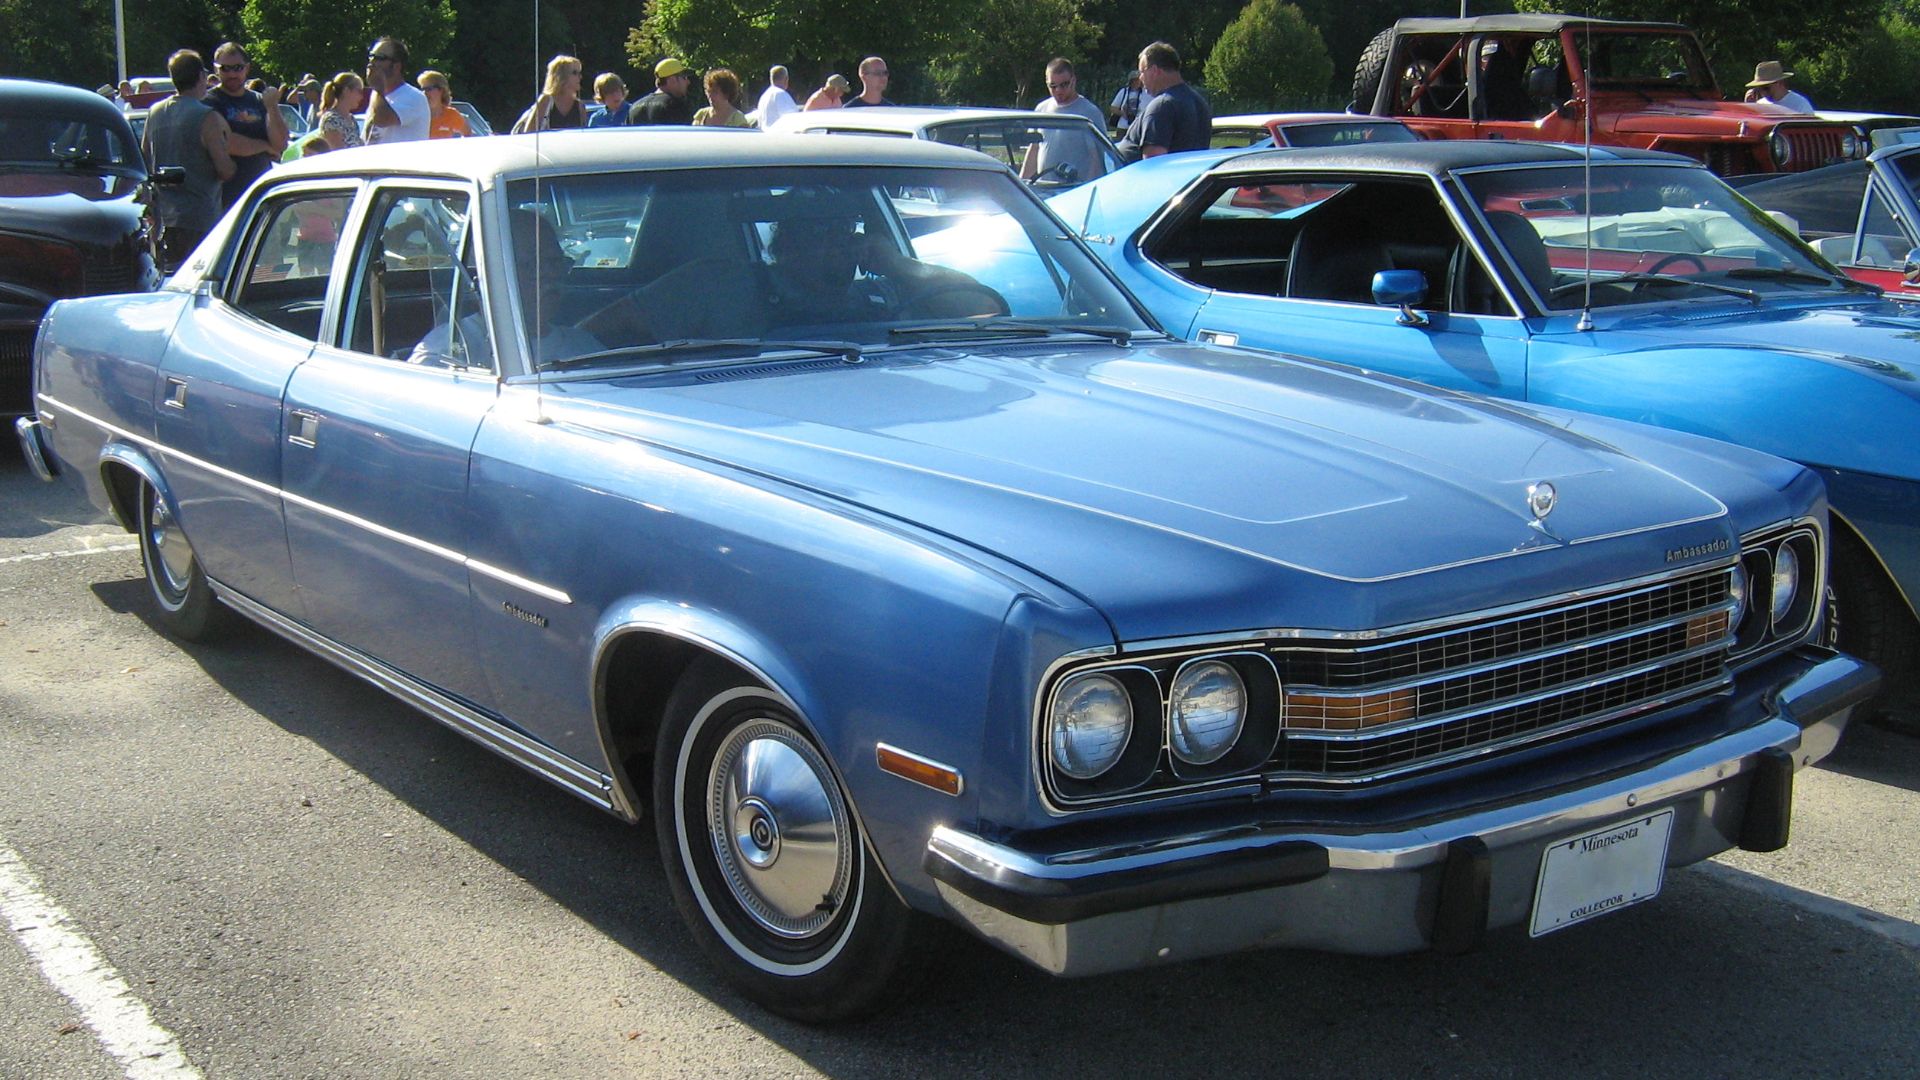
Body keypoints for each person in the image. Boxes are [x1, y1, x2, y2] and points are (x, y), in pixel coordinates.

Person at [410, 213, 600, 370]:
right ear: (492, 275)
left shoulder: (584, 344)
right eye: (531, 265)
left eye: (556, 262)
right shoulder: (451, 348)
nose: (550, 275)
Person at [141, 49, 236, 270]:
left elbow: (144, 160)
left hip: (164, 218)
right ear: (202, 76)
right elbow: (225, 170)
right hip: (200, 219)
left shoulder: (155, 112)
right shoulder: (206, 116)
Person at [205, 41, 286, 209]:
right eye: (225, 69)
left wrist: (272, 107)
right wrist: (265, 146)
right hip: (225, 196)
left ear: (247, 68)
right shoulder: (209, 101)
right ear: (215, 69)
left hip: (261, 194)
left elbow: (280, 144)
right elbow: (225, 142)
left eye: (238, 68)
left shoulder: (260, 100)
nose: (232, 74)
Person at [1115, 41, 1211, 162]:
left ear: (1155, 70)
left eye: (1142, 72)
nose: (1140, 78)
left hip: (1139, 174)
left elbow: (1153, 162)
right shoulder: (1199, 102)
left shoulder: (1162, 105)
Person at [1019, 58, 1108, 184]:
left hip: (1075, 188)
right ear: (1046, 83)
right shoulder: (1041, 109)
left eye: (1064, 84)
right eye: (1053, 86)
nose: (1058, 90)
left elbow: (1097, 158)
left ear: (1073, 80)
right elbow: (1034, 150)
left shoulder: (1090, 112)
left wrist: (1087, 190)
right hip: (1045, 187)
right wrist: (1021, 184)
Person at [363, 37, 430, 144]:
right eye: (371, 56)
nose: (372, 62)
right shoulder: (378, 96)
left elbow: (382, 119)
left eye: (379, 57)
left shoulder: (414, 97)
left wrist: (377, 87)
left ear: (396, 66)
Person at [513, 55, 587, 133]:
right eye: (575, 73)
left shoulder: (580, 106)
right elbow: (529, 132)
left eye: (580, 73)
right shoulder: (546, 100)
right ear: (561, 76)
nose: (580, 77)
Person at [630, 58, 695, 125]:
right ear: (672, 80)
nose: (688, 82)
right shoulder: (676, 105)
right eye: (684, 77)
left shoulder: (634, 107)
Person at [314, 72, 366, 152]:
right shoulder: (331, 120)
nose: (361, 97)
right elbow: (337, 153)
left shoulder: (351, 119)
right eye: (359, 91)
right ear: (346, 90)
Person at [1744, 60, 1813, 113]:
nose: (1763, 93)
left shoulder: (1800, 105)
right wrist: (1749, 108)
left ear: (1780, 83)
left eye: (1766, 88)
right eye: (1758, 89)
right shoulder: (1760, 105)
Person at [1108, 70, 1143, 136]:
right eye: (1135, 80)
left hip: (1139, 127)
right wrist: (1122, 113)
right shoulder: (1124, 92)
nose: (1137, 82)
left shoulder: (1146, 93)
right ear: (1131, 81)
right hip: (1123, 127)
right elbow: (1113, 108)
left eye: (1139, 80)